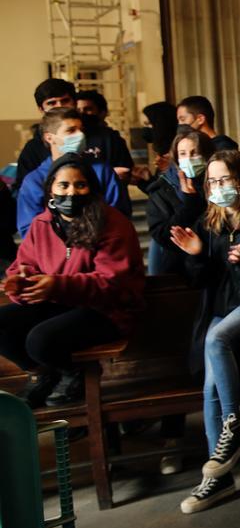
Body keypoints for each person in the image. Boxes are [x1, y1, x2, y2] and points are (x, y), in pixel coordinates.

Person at [171, 150, 240, 514]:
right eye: (212, 181)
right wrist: (198, 254)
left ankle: (233, 427)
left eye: (224, 180)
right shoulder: (209, 222)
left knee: (216, 340)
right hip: (221, 307)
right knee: (209, 387)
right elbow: (201, 281)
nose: (218, 187)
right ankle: (219, 479)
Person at [0, 155, 144, 407]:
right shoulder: (41, 224)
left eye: (80, 185)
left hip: (107, 309)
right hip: (58, 301)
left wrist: (56, 284)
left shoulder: (112, 222)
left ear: (92, 188)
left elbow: (111, 283)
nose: (71, 192)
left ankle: (72, 372)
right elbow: (24, 265)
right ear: (51, 189)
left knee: (40, 340)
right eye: (63, 185)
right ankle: (44, 374)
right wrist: (19, 283)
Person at [17, 109, 130, 237]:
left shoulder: (101, 170)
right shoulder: (34, 181)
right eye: (71, 130)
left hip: (100, 247)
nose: (80, 135)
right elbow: (29, 231)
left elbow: (119, 214)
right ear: (49, 137)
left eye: (81, 129)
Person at [145, 131, 212, 277]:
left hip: (216, 264)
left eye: (195, 153)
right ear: (176, 158)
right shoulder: (161, 190)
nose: (188, 159)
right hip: (178, 269)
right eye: (183, 154)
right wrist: (189, 206)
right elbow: (162, 235)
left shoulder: (219, 184)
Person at [75, 89, 135, 182]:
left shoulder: (112, 139)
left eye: (88, 109)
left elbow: (124, 173)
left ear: (102, 112)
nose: (82, 113)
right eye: (78, 110)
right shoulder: (70, 138)